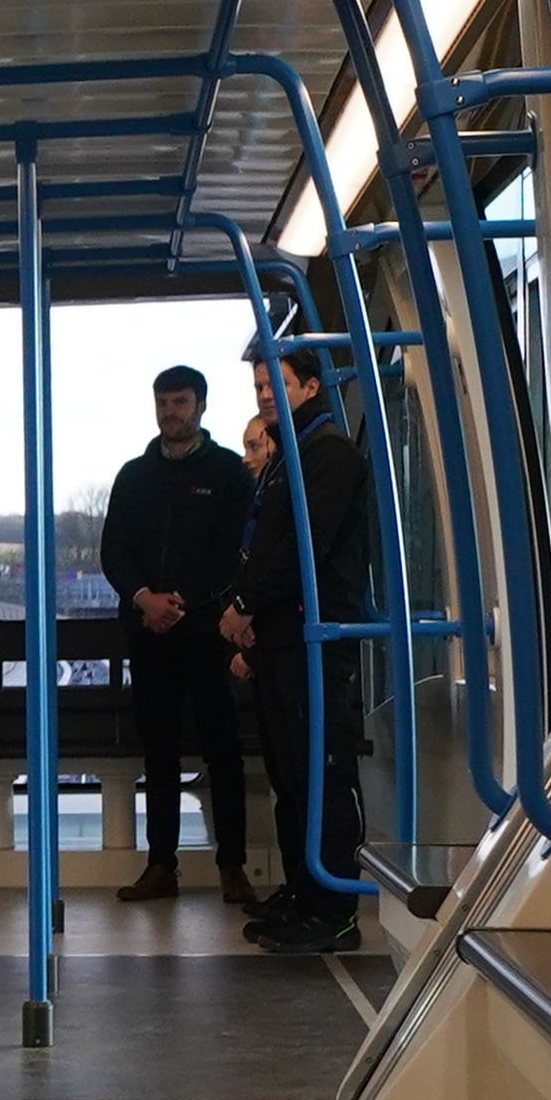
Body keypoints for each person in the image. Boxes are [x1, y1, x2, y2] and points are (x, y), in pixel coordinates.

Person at [224, 346, 372, 955]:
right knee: (290, 774)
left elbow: (300, 549)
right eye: (260, 384)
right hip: (282, 638)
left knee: (322, 774)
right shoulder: (289, 457)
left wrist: (245, 605)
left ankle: (335, 908)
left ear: (310, 387)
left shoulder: (328, 455)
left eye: (277, 383)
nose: (265, 394)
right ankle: (302, 889)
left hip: (314, 638)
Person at [100, 363, 255, 902]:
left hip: (207, 634)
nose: (171, 413)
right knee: (157, 753)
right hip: (148, 634)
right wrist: (146, 599)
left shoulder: (231, 474)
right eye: (164, 403)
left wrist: (181, 601)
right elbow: (113, 552)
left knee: (222, 750)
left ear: (202, 406)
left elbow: (232, 554)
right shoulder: (132, 476)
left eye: (181, 403)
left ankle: (232, 867)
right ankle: (160, 865)